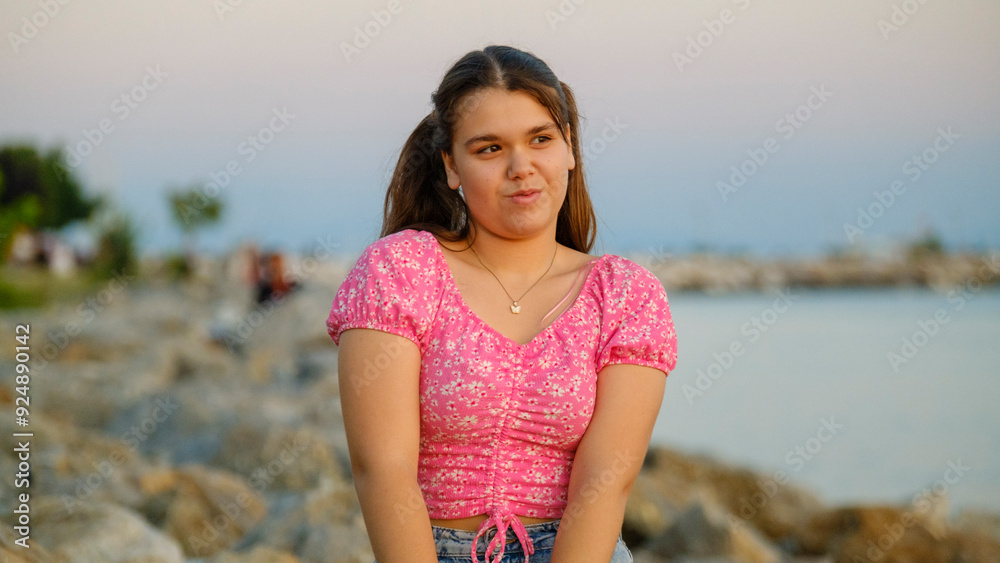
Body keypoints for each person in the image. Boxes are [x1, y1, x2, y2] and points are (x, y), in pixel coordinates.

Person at [326, 45, 677, 563]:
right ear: (450, 166)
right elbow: (382, 470)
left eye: (541, 139)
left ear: (570, 148)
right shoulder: (400, 271)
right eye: (489, 149)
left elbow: (605, 484)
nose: (521, 167)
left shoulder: (626, 296)